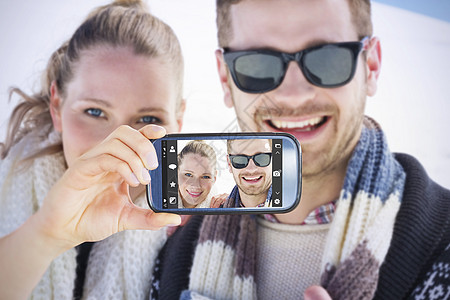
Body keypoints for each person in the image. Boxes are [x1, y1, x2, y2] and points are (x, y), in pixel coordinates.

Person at [151, 0, 450, 299]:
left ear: (370, 66)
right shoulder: (176, 252)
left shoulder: (442, 249)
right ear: (226, 79)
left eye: (327, 58)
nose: (293, 95)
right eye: (258, 63)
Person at [0, 1, 186, 299]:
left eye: (148, 119)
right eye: (95, 112)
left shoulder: (189, 229)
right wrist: (46, 233)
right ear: (57, 106)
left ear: (178, 122)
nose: (119, 141)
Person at [224, 138, 272, 207]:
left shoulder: (291, 211)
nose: (251, 169)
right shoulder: (215, 212)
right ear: (229, 163)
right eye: (240, 159)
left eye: (261, 158)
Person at [177, 140, 218, 208]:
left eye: (205, 177)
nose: (196, 185)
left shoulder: (220, 208)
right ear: (177, 173)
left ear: (214, 178)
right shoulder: (157, 200)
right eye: (188, 175)